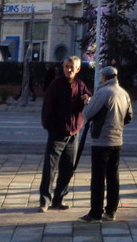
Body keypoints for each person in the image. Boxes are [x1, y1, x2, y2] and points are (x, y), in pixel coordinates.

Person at [38, 56, 92, 212]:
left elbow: (88, 99)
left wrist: (87, 99)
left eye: (71, 67)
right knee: (50, 168)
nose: (68, 69)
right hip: (57, 132)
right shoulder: (56, 84)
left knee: (68, 168)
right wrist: (49, 126)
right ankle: (44, 201)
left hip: (73, 133)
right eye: (66, 66)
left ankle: (59, 199)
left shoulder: (80, 85)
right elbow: (47, 107)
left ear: (78, 69)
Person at [80, 65, 132, 223]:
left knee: (98, 178)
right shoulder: (123, 93)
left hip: (102, 141)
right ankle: (111, 211)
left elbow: (88, 114)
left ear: (104, 77)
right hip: (117, 141)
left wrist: (87, 103)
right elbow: (129, 117)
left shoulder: (103, 93)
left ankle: (95, 213)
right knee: (113, 177)